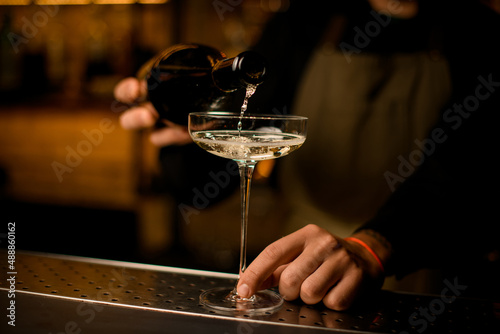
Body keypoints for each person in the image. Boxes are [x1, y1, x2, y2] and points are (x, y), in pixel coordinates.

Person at [114, 0, 500, 310]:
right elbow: (215, 178)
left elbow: (470, 175)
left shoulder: (479, 31)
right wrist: (182, 135)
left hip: (428, 277)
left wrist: (373, 247)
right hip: (301, 272)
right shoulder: (306, 17)